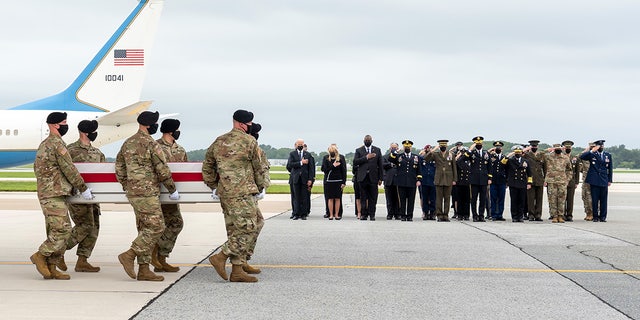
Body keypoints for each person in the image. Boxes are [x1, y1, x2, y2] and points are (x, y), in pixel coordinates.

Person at [203, 109, 269, 283]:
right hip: (242, 192)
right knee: (247, 227)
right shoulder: (249, 141)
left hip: (226, 192)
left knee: (240, 227)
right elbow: (259, 167)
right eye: (249, 125)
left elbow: (207, 166)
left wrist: (214, 186)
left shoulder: (219, 141)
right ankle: (221, 257)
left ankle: (239, 267)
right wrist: (262, 186)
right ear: (241, 124)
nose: (250, 127)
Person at [115, 111, 179, 282]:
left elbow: (119, 167)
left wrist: (127, 185)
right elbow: (162, 169)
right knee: (157, 227)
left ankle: (144, 269)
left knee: (144, 229)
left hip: (133, 193)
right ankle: (129, 254)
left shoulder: (128, 143)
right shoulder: (151, 144)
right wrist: (172, 189)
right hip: (148, 192)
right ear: (150, 125)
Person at [31, 112, 93, 280]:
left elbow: (37, 168)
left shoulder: (45, 144)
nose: (66, 125)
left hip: (51, 192)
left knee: (54, 230)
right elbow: (69, 168)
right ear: (56, 125)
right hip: (53, 194)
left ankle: (51, 268)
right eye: (64, 122)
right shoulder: (56, 144)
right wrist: (82, 187)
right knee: (63, 230)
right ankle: (40, 255)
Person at [65, 120, 105, 273]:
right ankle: (57, 252)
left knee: (94, 228)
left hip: (93, 198)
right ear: (85, 132)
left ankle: (82, 261)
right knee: (84, 226)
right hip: (77, 197)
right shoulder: (70, 151)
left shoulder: (97, 153)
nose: (96, 133)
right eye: (93, 130)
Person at [150, 119, 188, 273]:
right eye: (177, 129)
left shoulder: (180, 149)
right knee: (157, 227)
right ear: (171, 131)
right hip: (158, 193)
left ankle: (161, 256)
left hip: (173, 196)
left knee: (176, 223)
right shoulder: (155, 146)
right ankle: (154, 255)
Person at [423, 140, 457, 222]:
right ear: (439, 146)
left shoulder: (451, 154)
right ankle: (439, 215)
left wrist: (455, 179)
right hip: (438, 179)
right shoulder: (436, 154)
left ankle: (445, 215)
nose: (443, 147)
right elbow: (426, 159)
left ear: (446, 146)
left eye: (444, 145)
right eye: (441, 146)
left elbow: (454, 168)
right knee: (438, 198)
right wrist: (432, 150)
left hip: (448, 179)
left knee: (447, 198)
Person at [580, 140, 613, 222]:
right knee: (594, 199)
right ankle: (595, 216)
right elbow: (582, 157)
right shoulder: (592, 154)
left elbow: (610, 168)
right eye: (599, 146)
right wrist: (591, 150)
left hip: (604, 180)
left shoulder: (607, 155)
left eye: (602, 146)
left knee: (603, 200)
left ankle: (603, 217)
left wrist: (609, 180)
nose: (601, 147)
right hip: (594, 180)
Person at [353, 135, 383, 220]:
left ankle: (372, 214)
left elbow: (380, 165)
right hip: (362, 177)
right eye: (366, 140)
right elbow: (355, 162)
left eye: (369, 140)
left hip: (373, 177)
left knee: (373, 197)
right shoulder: (359, 150)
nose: (367, 141)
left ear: (372, 141)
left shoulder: (377, 150)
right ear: (363, 141)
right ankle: (364, 214)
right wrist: (366, 157)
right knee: (363, 197)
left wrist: (381, 178)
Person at [390, 140, 422, 221]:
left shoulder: (416, 157)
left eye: (408, 147)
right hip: (401, 182)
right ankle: (403, 215)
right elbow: (391, 158)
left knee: (411, 200)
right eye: (405, 147)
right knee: (402, 199)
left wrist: (419, 179)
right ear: (403, 147)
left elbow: (419, 170)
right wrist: (396, 151)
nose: (407, 148)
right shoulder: (399, 156)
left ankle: (409, 215)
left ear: (411, 148)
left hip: (412, 182)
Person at [461, 136, 490, 222]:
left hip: (484, 179)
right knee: (473, 199)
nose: (479, 145)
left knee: (483, 199)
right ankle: (475, 215)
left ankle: (481, 215)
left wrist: (490, 177)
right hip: (474, 179)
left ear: (482, 144)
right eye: (477, 144)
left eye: (480, 144)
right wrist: (469, 150)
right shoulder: (472, 153)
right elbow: (462, 160)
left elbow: (489, 167)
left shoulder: (486, 153)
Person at [542, 144, 573, 223]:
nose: (558, 149)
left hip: (562, 182)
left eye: (559, 148)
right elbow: (539, 155)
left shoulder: (565, 158)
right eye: (556, 148)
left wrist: (567, 180)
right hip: (551, 181)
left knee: (561, 200)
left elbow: (569, 170)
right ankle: (554, 216)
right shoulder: (549, 157)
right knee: (552, 200)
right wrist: (548, 150)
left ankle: (560, 216)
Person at [286, 139, 315, 220]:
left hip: (304, 179)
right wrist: (301, 163)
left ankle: (303, 214)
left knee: (304, 197)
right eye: (299, 144)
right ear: (296, 145)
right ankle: (296, 213)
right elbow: (290, 164)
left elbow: (311, 168)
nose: (300, 145)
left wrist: (310, 179)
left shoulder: (308, 154)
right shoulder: (292, 154)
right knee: (296, 197)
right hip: (295, 178)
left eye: (301, 144)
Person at [502, 145, 531, 222]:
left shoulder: (525, 161)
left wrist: (529, 183)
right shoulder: (510, 161)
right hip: (513, 183)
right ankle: (514, 216)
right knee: (514, 201)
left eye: (519, 152)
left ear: (521, 153)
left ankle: (520, 216)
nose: (518, 154)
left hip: (522, 183)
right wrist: (508, 156)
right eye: (516, 153)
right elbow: (502, 163)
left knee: (521, 201)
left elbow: (529, 174)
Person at [321, 144, 347, 220]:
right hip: (329, 181)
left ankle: (337, 214)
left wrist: (344, 182)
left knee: (338, 198)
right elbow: (324, 169)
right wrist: (333, 165)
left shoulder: (341, 158)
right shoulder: (326, 158)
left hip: (338, 181)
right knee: (330, 198)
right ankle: (330, 214)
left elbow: (343, 171)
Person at [523, 140, 545, 221]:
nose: (534, 148)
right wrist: (526, 149)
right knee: (530, 199)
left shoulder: (541, 155)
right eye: (533, 146)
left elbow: (545, 168)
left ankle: (538, 214)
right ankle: (531, 214)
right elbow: (517, 154)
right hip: (530, 180)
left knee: (539, 199)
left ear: (537, 147)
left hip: (539, 179)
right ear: (530, 147)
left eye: (535, 146)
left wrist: (545, 179)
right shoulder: (526, 155)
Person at [488, 141, 507, 221]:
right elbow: (486, 154)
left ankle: (500, 215)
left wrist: (507, 181)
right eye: (497, 146)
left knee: (501, 199)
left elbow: (506, 169)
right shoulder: (491, 156)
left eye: (499, 147)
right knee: (493, 198)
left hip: (502, 181)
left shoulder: (504, 157)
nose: (498, 148)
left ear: (501, 148)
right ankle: (493, 214)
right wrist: (491, 150)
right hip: (493, 181)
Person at [562, 140, 581, 222]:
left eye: (569, 147)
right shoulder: (561, 157)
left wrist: (577, 182)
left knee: (570, 199)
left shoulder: (575, 158)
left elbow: (577, 171)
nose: (568, 149)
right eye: (566, 147)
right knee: (562, 199)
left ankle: (569, 215)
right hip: (562, 181)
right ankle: (562, 214)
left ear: (571, 148)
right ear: (564, 148)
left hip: (571, 181)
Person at [382, 143, 400, 220]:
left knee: (397, 198)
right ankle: (390, 213)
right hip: (388, 180)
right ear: (390, 148)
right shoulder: (385, 157)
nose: (394, 149)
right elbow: (383, 165)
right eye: (392, 147)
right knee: (389, 198)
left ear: (398, 148)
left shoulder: (400, 156)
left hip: (398, 180)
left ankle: (397, 214)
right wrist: (391, 164)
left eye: (395, 147)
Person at [578, 142, 595, 221]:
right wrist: (585, 151)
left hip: (594, 180)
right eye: (590, 147)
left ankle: (593, 213)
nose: (592, 148)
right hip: (586, 180)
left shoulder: (596, 155)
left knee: (593, 198)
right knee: (585, 197)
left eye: (593, 147)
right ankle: (588, 213)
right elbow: (577, 158)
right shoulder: (585, 156)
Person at [419, 145, 436, 220]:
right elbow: (422, 158)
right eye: (427, 149)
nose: (429, 150)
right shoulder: (422, 158)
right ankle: (425, 212)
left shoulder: (434, 158)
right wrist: (422, 153)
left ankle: (432, 213)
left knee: (433, 198)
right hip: (424, 181)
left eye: (430, 149)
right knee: (424, 198)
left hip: (433, 181)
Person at [455, 146, 472, 221]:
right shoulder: (459, 160)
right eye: (462, 152)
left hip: (468, 182)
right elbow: (459, 162)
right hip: (460, 182)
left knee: (467, 200)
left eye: (464, 152)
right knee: (460, 200)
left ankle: (466, 214)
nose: (463, 153)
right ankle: (460, 214)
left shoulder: (470, 160)